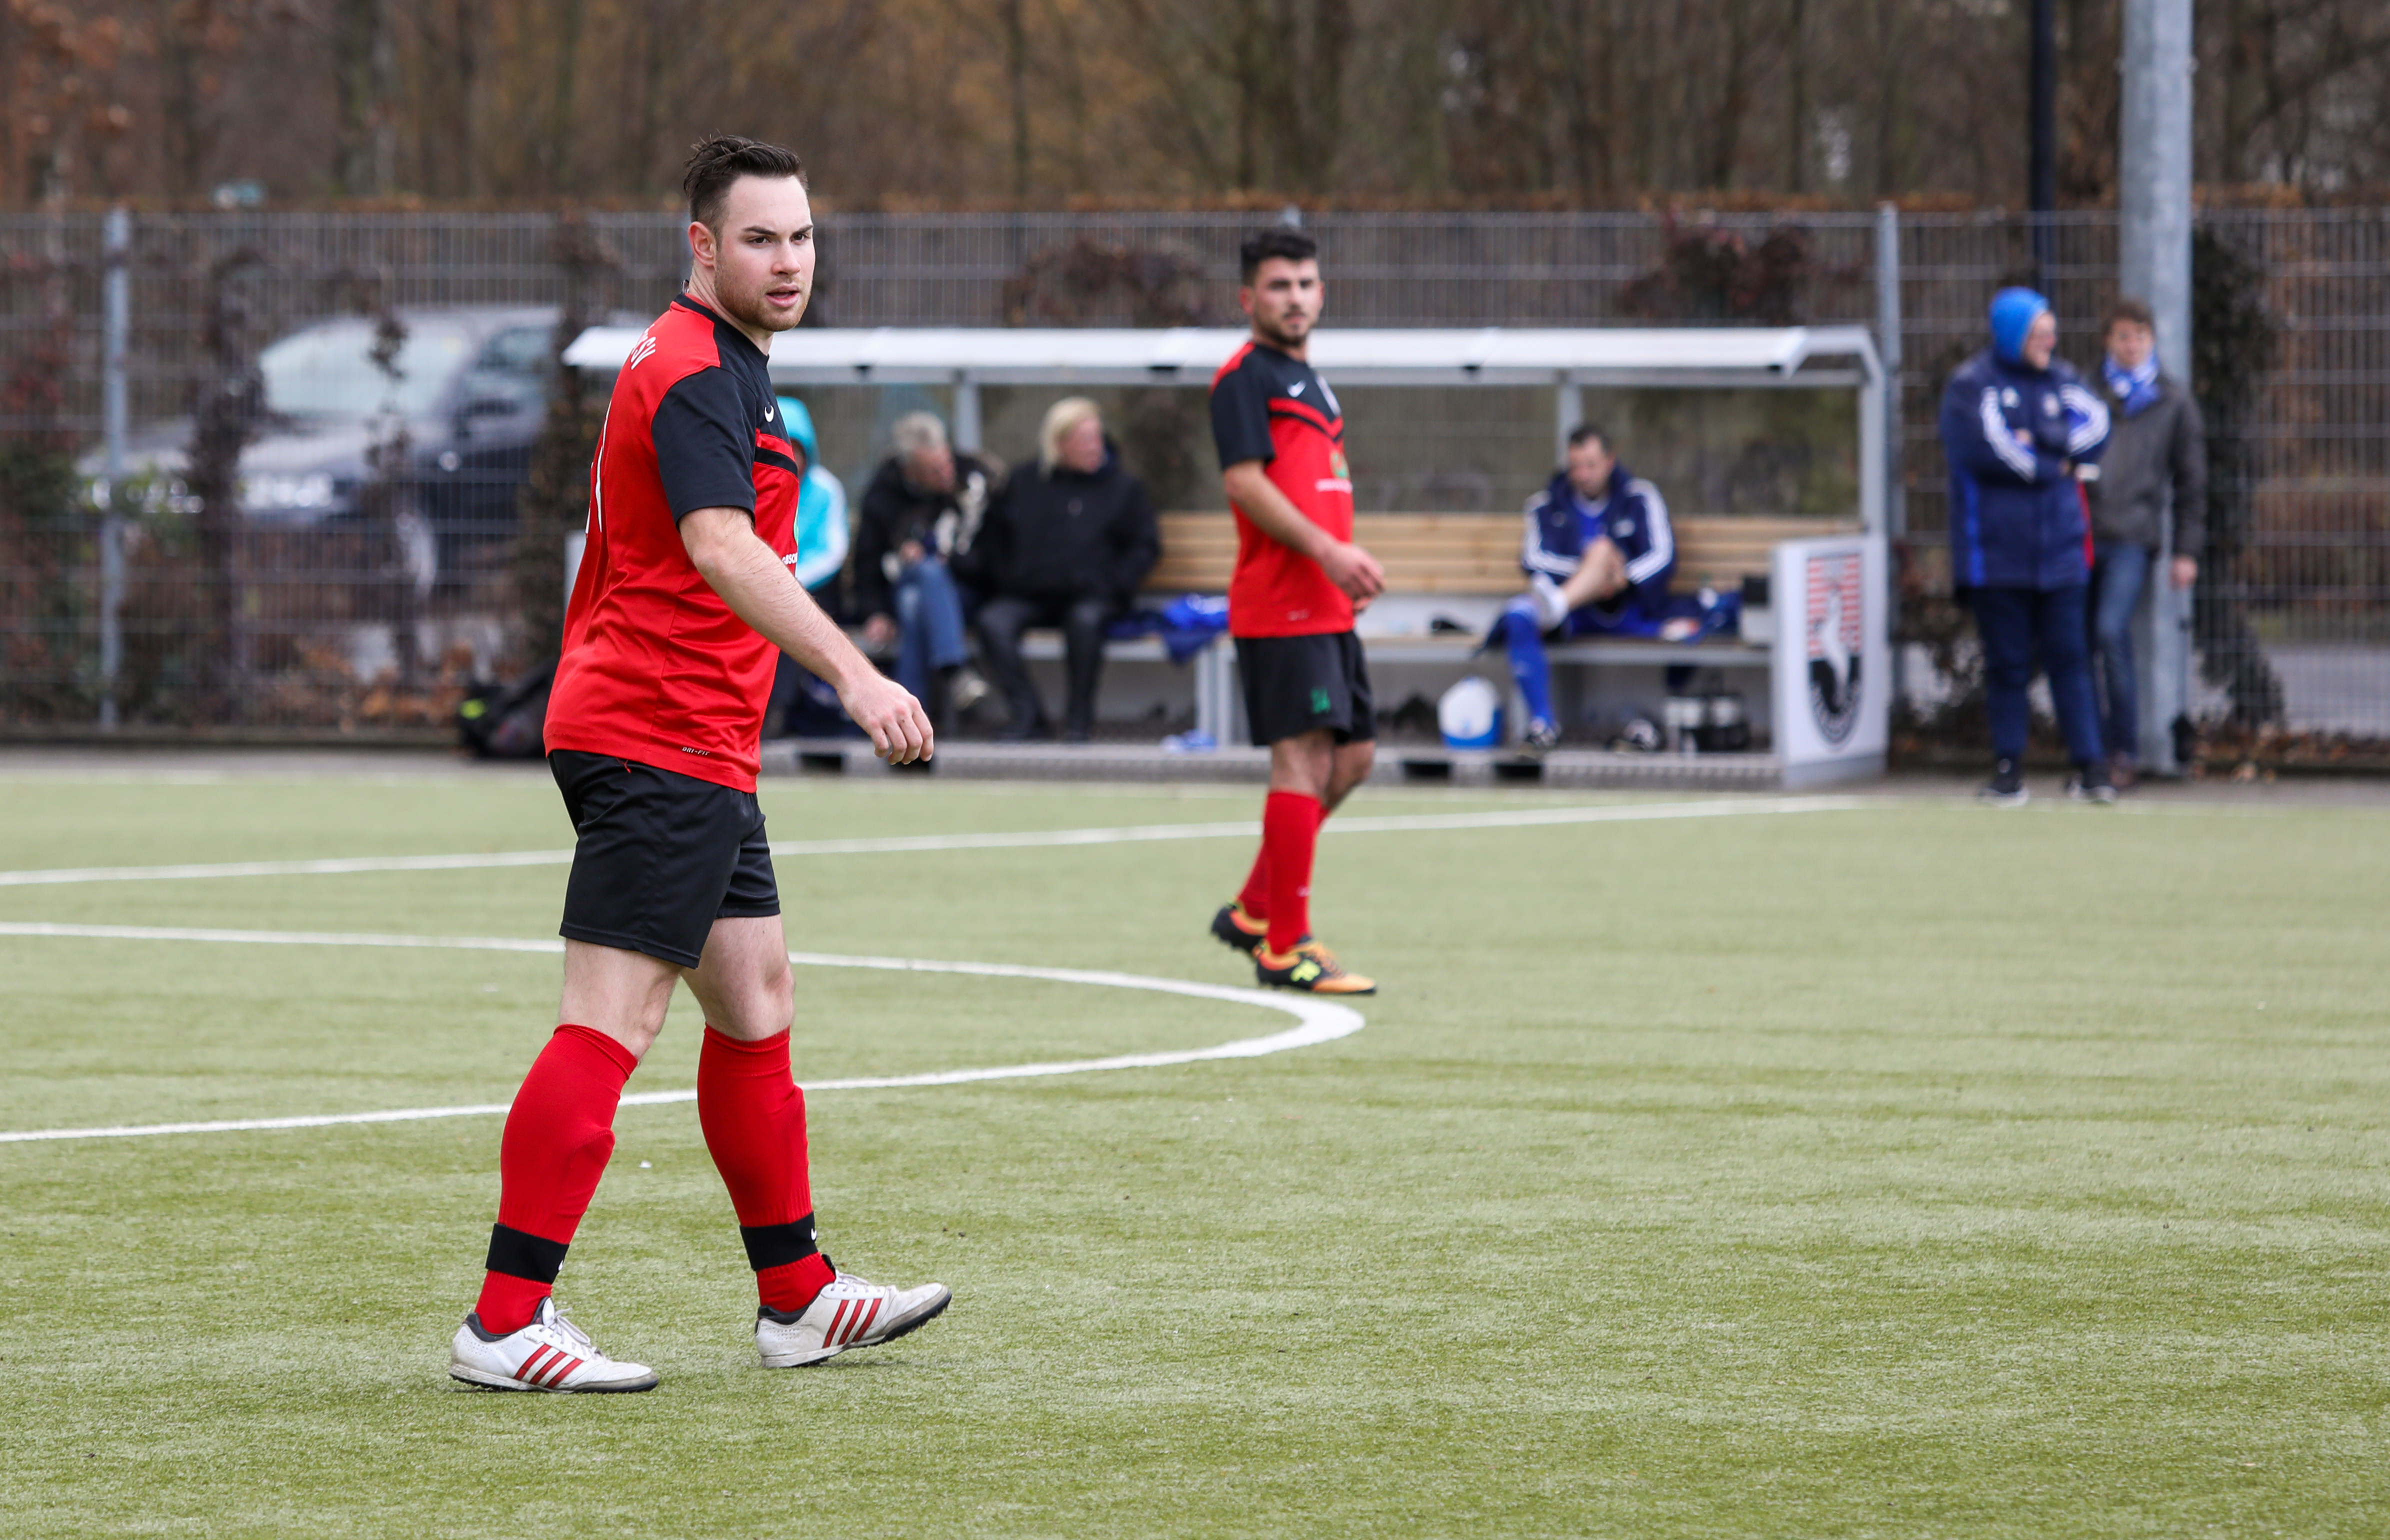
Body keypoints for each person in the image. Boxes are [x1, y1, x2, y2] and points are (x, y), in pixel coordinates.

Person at [448, 134, 948, 1395]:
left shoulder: (727, 367)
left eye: (801, 237)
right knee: (613, 1017)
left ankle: (798, 1297)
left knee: (756, 997)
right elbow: (722, 545)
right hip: (651, 731)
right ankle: (504, 1321)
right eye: (759, 239)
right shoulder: (690, 369)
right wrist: (856, 675)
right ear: (702, 246)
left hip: (701, 740)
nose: (788, 261)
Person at [1205, 228, 1382, 996]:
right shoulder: (1243, 377)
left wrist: (1344, 565)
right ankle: (1286, 946)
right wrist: (1330, 552)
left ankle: (1255, 908)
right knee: (1303, 761)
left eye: (1306, 284)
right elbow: (1245, 483)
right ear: (1249, 298)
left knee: (1353, 759)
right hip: (1282, 604)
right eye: (1279, 286)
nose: (1296, 298)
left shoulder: (1312, 380)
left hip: (1328, 605)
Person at [1938, 285, 2115, 807]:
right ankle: (2008, 772)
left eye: (2051, 333)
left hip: (2061, 553)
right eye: (2039, 334)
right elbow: (1990, 451)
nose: (2049, 342)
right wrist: (2052, 464)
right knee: (2008, 665)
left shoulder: (2064, 380)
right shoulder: (1973, 385)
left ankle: (2091, 769)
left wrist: (2041, 446)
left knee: (2072, 660)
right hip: (1996, 557)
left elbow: (2097, 428)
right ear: (2014, 335)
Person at [972, 398, 1160, 742]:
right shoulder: (1025, 482)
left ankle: (1078, 720)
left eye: (1097, 437)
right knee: (993, 621)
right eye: (1084, 439)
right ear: (1058, 443)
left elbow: (1144, 548)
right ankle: (1028, 716)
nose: (1094, 446)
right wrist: (1010, 578)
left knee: (1085, 623)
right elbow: (993, 541)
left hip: (1094, 596)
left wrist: (1113, 584)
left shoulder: (1123, 488)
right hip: (1032, 595)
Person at [1484, 424, 1677, 751]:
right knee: (1518, 613)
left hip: (1625, 609)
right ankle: (1543, 724)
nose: (1582, 474)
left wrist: (1621, 577)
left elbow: (1663, 555)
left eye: (1591, 465)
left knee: (1601, 550)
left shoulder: (1640, 496)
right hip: (1573, 615)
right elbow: (1533, 559)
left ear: (1610, 461)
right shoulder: (1544, 504)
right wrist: (1592, 572)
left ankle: (1557, 602)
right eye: (1575, 466)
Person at [2086, 297, 2206, 789]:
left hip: (2132, 538)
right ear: (2108, 341)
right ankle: (2089, 752)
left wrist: (2186, 550)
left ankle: (2124, 751)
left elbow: (2191, 482)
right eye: (2123, 336)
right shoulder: (2085, 394)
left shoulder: (2173, 402)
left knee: (2109, 631)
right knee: (2074, 645)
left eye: (2139, 335)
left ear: (2151, 340)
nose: (2131, 344)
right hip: (2080, 536)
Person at [852, 411, 996, 725]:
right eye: (934, 470)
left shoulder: (973, 480)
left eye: (947, 462)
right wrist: (876, 612)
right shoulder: (883, 495)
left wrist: (947, 559)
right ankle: (955, 672)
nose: (947, 473)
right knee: (922, 582)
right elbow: (867, 560)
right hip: (900, 586)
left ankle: (908, 728)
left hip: (965, 590)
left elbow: (992, 556)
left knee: (916, 601)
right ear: (910, 472)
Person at [762, 394, 856, 740]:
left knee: (790, 622)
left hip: (814, 589)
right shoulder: (756, 485)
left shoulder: (827, 490)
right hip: (762, 587)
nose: (791, 458)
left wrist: (788, 581)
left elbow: (833, 550)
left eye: (797, 450)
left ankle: (777, 712)